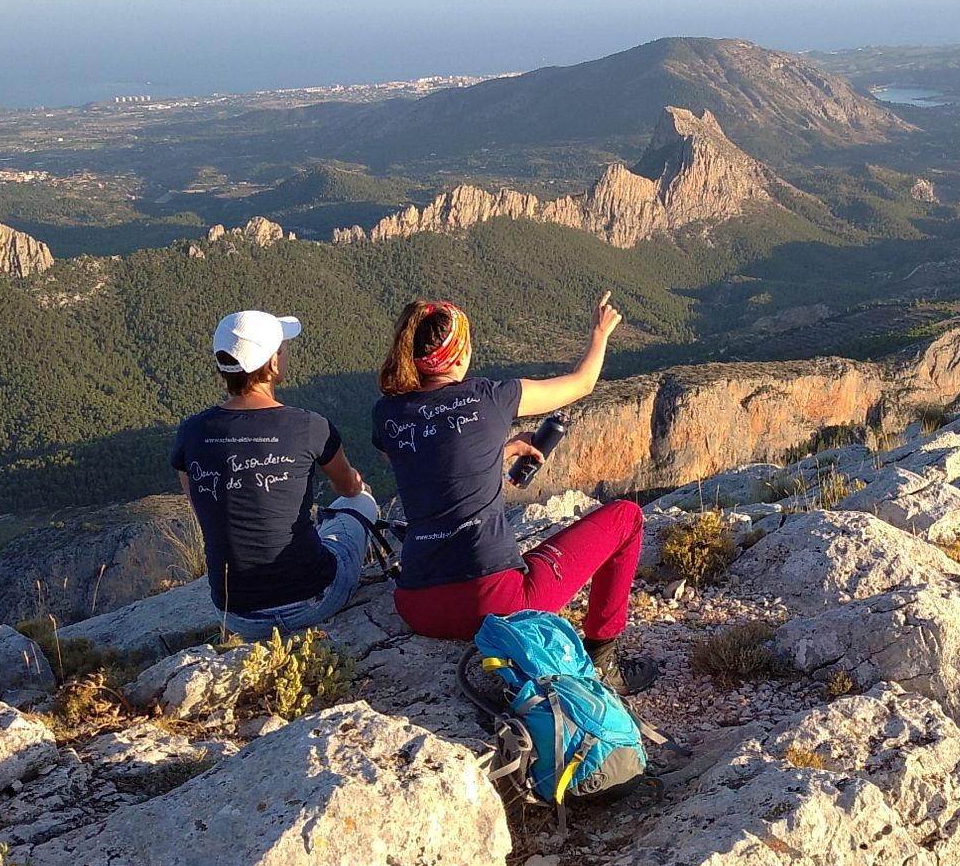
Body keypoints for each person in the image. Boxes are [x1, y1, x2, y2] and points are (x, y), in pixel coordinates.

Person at [373, 291, 658, 694]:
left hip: (417, 605)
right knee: (627, 517)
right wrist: (600, 334)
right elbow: (582, 383)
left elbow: (425, 465)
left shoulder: (387, 413)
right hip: (495, 605)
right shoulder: (491, 397)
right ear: (460, 355)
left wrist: (500, 450)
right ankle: (604, 660)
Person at [172, 309, 369, 640]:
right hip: (312, 600)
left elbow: (205, 509)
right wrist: (358, 484)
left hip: (237, 614)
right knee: (360, 504)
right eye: (282, 348)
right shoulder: (309, 425)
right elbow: (348, 487)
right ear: (274, 364)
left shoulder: (191, 433)